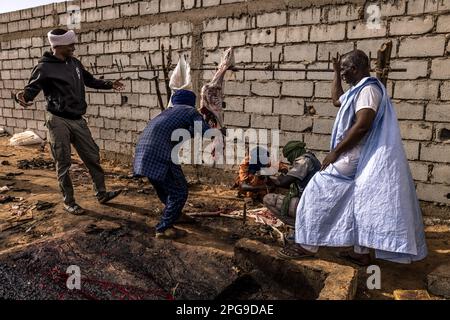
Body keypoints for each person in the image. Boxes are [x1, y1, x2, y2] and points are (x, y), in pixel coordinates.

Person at [280, 50, 427, 266]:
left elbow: (362, 126)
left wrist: (336, 152)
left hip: (357, 155)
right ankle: (361, 252)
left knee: (316, 190)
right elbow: (336, 100)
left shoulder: (368, 90)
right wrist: (335, 71)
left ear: (356, 69)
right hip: (355, 155)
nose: (343, 77)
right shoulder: (358, 90)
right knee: (356, 199)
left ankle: (307, 245)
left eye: (345, 71)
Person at [15, 29, 124, 215]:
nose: (74, 47)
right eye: (70, 45)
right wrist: (22, 97)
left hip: (77, 119)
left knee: (92, 156)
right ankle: (69, 202)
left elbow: (89, 80)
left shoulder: (74, 63)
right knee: (63, 161)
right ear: (58, 46)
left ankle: (102, 194)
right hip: (57, 119)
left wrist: (109, 84)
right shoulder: (43, 67)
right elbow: (29, 91)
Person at [133, 89, 212, 239]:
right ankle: (164, 228)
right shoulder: (190, 111)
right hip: (161, 156)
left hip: (143, 155)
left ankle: (176, 214)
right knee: (179, 192)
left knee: (165, 189)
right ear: (191, 102)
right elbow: (206, 133)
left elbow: (189, 132)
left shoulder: (167, 113)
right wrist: (220, 131)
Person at [263, 141, 321, 227]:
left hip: (311, 206)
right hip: (315, 201)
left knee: (268, 199)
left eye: (289, 156)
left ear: (294, 152)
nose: (289, 159)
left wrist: (268, 177)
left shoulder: (303, 161)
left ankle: (298, 226)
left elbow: (283, 183)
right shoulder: (311, 157)